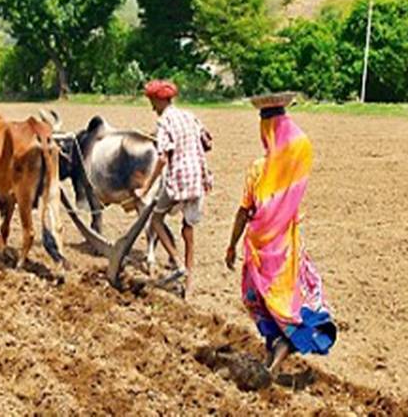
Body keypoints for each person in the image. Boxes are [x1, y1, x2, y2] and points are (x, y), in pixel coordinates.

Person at [224, 92, 336, 379]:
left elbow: (242, 211)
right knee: (287, 303)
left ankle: (271, 365)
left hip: (259, 252)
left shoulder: (258, 169)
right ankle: (272, 357)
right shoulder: (293, 169)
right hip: (285, 252)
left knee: (262, 305)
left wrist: (231, 245)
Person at [136, 79, 212, 297]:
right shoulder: (189, 116)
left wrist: (146, 187)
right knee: (188, 229)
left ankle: (177, 263)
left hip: (179, 179)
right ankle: (189, 282)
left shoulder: (164, 122)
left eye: (152, 102)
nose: (151, 107)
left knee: (156, 219)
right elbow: (207, 141)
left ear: (160, 100)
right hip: (198, 178)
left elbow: (161, 159)